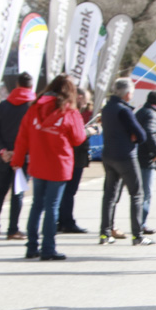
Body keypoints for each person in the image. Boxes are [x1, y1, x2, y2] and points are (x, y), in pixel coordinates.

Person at [10, 75, 86, 260]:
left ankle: (32, 246)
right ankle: (48, 248)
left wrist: (17, 162)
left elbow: (22, 137)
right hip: (59, 165)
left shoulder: (34, 108)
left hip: (37, 163)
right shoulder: (69, 111)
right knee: (52, 207)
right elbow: (78, 138)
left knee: (37, 205)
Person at [98, 78, 154, 247]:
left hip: (108, 155)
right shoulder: (124, 110)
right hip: (126, 156)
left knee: (109, 195)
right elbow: (141, 135)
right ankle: (137, 235)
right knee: (137, 194)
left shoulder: (107, 108)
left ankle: (104, 234)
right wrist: (133, 136)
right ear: (128, 94)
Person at [0, 73, 36, 240]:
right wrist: (20, 151)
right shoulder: (33, 107)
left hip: (4, 156)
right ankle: (13, 229)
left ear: (16, 84)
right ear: (31, 86)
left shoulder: (2, 106)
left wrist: (2, 150)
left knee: (0, 190)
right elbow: (34, 133)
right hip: (23, 156)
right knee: (18, 193)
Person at [57, 89, 95, 235]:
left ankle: (62, 220)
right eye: (85, 99)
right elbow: (76, 135)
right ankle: (66, 221)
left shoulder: (70, 111)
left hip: (74, 155)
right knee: (69, 191)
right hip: (74, 155)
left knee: (66, 191)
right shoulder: (72, 112)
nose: (86, 103)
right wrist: (89, 132)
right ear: (79, 97)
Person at [134, 90, 156, 234]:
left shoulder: (141, 112)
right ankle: (141, 224)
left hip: (138, 156)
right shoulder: (152, 114)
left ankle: (138, 223)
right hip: (147, 158)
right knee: (146, 193)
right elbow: (150, 132)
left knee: (139, 193)